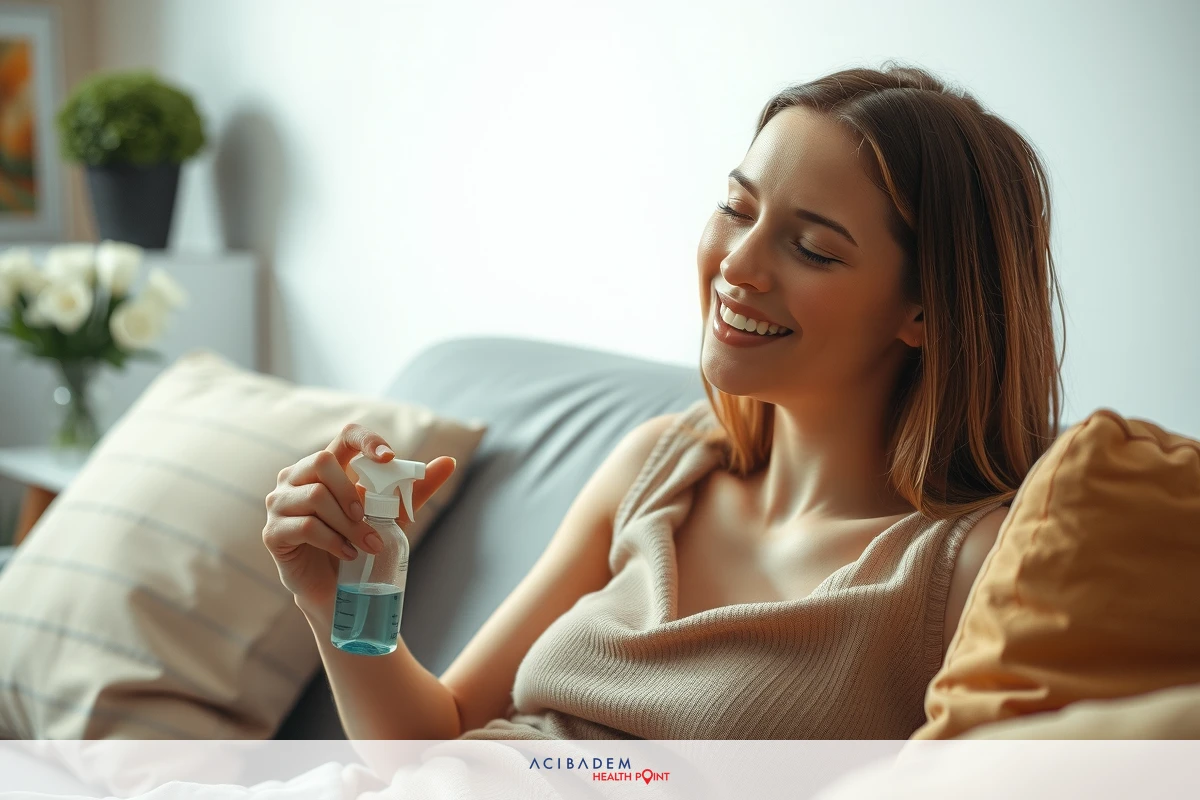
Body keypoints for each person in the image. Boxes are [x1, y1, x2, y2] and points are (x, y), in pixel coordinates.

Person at [262, 61, 1064, 741]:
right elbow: (437, 736)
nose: (737, 265)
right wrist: (329, 596)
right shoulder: (659, 463)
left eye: (813, 248)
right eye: (736, 208)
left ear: (925, 309)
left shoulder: (968, 569)